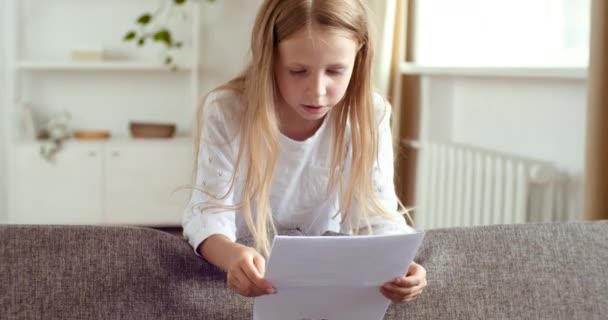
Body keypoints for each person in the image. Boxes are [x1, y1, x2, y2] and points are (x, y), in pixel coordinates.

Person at [182, 0, 427, 303]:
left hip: (325, 269)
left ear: (359, 60)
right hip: (248, 262)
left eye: (336, 71)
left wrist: (400, 265)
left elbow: (377, 214)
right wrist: (233, 257)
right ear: (269, 59)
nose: (317, 90)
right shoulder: (228, 110)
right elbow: (207, 214)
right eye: (298, 71)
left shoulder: (369, 113)